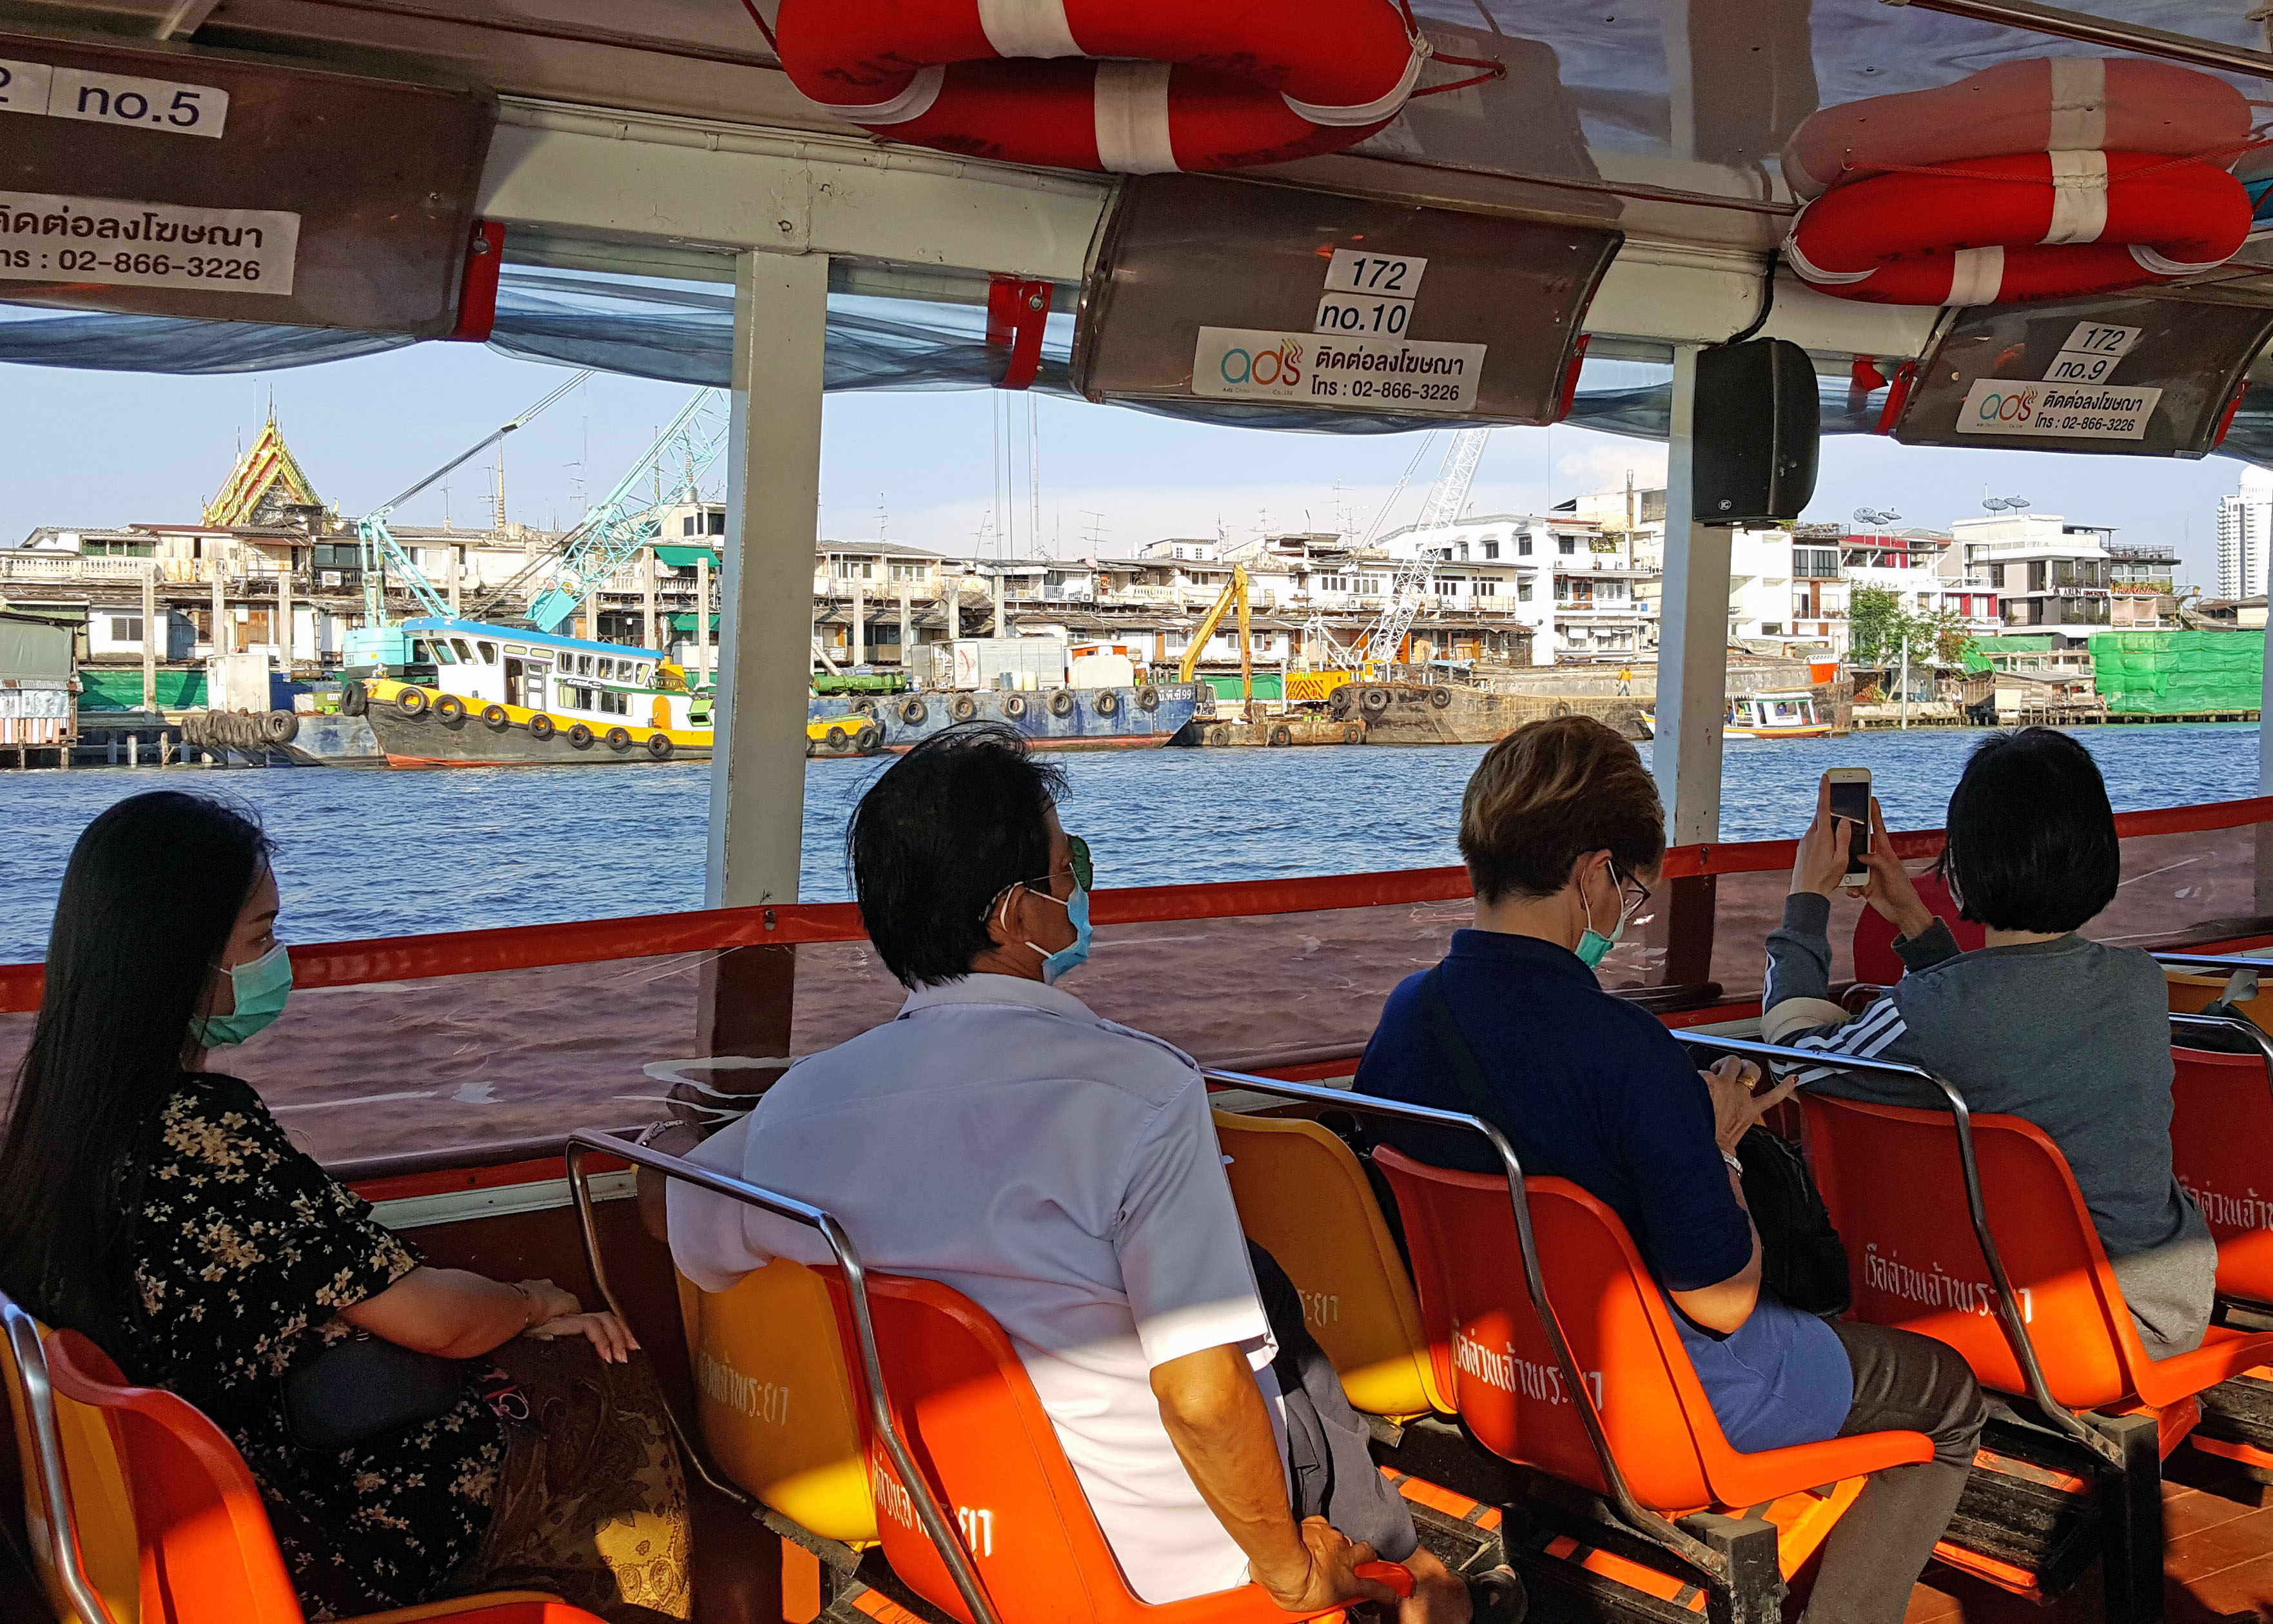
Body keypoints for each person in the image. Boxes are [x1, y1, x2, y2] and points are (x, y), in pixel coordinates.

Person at [668, 725, 1472, 1622]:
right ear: (1015, 915)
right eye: (1066, 866)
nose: (1079, 887)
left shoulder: (800, 1108)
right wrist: (1287, 1571)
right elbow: (1202, 1393)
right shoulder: (1140, 1094)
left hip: (951, 1535)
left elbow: (681, 1225)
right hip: (1168, 1565)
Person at [0, 792, 690, 1623]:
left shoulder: (59, 1124)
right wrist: (533, 1302)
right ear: (181, 957)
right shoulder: (203, 1132)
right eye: (261, 937)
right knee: (605, 1392)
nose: (277, 958)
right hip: (315, 1530)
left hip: (181, 1516)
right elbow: (437, 1319)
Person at [1358, 717, 1985, 1624]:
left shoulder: (1407, 1013)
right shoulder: (1626, 1048)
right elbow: (1721, 1299)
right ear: (1590, 873)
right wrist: (1721, 1141)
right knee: (1947, 1394)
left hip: (1498, 1372)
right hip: (1664, 1395)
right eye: (1631, 891)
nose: (1623, 913)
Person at [1764, 726, 2216, 1357]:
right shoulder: (2140, 985)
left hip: (1978, 1310)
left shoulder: (1930, 1015)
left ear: (1960, 870)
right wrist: (1916, 927)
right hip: (2144, 1320)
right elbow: (1999, 1010)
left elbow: (1792, 1056)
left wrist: (1805, 901)